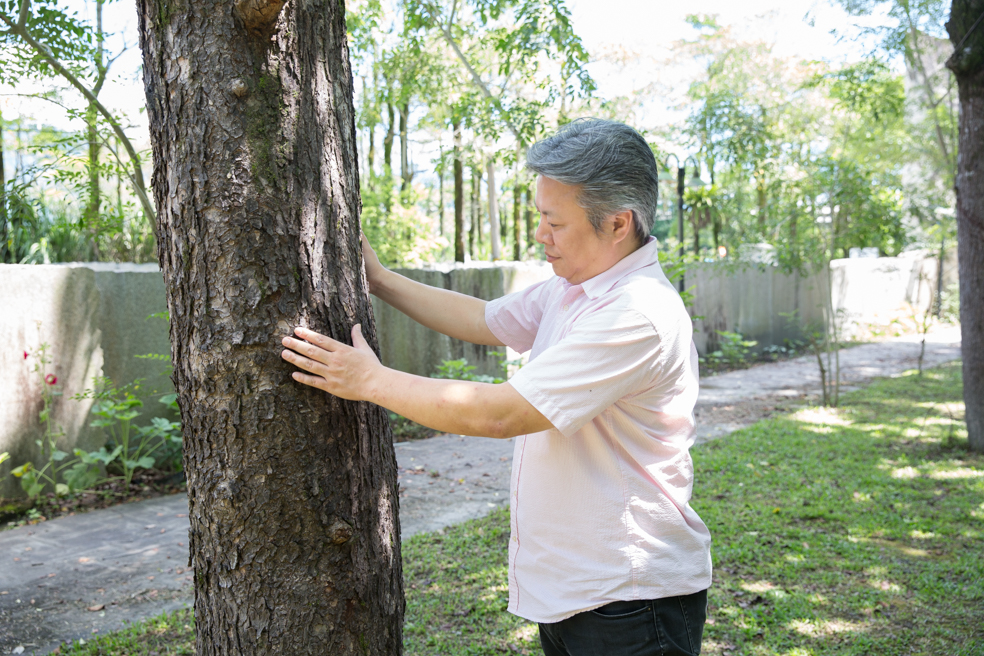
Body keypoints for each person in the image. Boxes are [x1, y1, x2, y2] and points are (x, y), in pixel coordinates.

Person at [281, 118, 712, 656]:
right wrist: (381, 279)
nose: (539, 235)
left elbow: (501, 414)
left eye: (553, 221)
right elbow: (486, 319)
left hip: (628, 597)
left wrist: (370, 380)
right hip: (579, 591)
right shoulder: (574, 288)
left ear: (618, 223)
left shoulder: (636, 314)